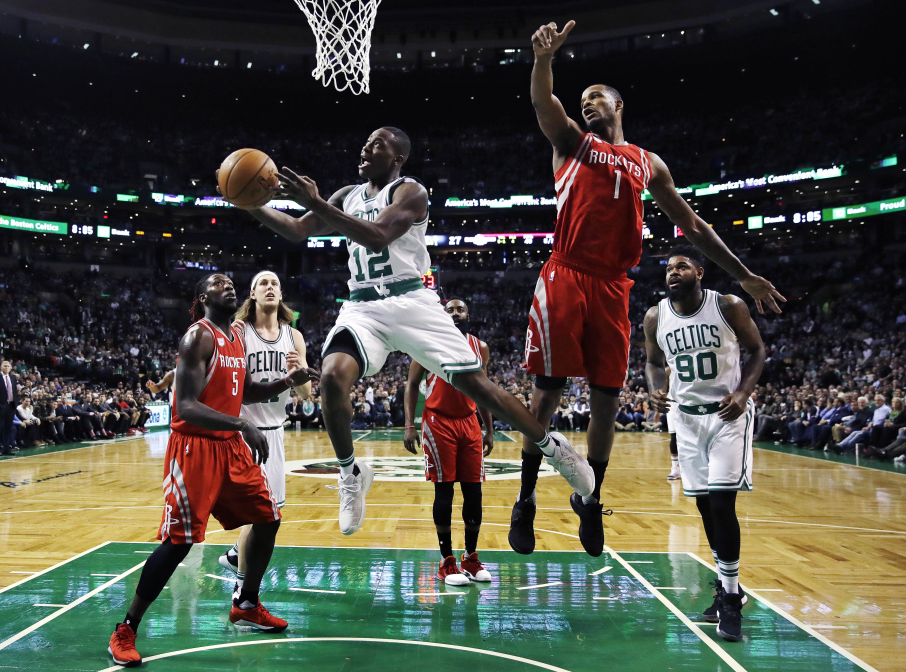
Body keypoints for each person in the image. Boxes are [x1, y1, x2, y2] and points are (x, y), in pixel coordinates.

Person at [512, 20, 784, 556]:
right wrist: (543, 60)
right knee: (546, 394)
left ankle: (591, 502)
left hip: (614, 286)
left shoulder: (648, 162)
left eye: (597, 98)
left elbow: (695, 227)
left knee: (607, 401)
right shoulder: (571, 142)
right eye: (583, 99)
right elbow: (544, 102)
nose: (588, 104)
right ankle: (525, 501)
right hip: (565, 274)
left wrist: (742, 273)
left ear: (618, 104)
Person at [237, 126, 592, 537]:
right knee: (332, 376)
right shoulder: (346, 195)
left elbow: (377, 237)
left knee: (478, 386)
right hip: (363, 305)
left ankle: (555, 449)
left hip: (412, 302)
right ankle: (351, 474)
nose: (366, 148)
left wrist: (315, 201)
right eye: (365, 142)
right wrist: (247, 202)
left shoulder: (412, 192)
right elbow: (297, 229)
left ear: (398, 157)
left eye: (377, 145)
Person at [107, 273, 319, 667]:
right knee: (180, 542)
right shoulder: (197, 337)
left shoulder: (236, 338)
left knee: (268, 518)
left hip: (229, 447)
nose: (228, 284)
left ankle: (246, 603)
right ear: (204, 297)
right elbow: (184, 406)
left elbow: (246, 392)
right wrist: (242, 423)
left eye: (229, 280)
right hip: (195, 450)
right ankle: (126, 628)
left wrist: (289, 380)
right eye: (218, 282)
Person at [643, 245, 765, 643]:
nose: (672, 273)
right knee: (703, 505)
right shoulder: (654, 316)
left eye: (681, 266)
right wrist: (655, 389)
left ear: (699, 271)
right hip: (685, 418)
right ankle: (727, 586)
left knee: (720, 501)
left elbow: (758, 350)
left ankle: (730, 599)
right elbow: (653, 362)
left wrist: (744, 393)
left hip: (726, 415)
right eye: (668, 268)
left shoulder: (728, 305)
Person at [218, 270, 314, 582]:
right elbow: (237, 387)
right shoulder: (238, 331)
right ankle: (243, 590)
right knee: (260, 514)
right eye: (263, 283)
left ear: (281, 293)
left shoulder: (294, 337)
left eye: (275, 283)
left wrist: (300, 375)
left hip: (276, 433)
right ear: (253, 293)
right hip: (245, 431)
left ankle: (235, 554)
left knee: (268, 515)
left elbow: (306, 394)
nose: (269, 287)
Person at [403, 298, 494, 586]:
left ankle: (470, 557)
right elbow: (410, 386)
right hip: (437, 422)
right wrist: (409, 425)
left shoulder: (480, 348)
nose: (455, 313)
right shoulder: (426, 344)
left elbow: (485, 391)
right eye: (450, 310)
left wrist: (489, 429)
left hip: (469, 423)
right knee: (444, 493)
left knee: (474, 493)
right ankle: (446, 561)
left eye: (460, 309)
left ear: (468, 315)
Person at [0, 360, 19, 456]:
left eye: (8, 366)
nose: (6, 367)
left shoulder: (13, 378)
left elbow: (15, 391)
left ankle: (6, 448)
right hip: (0, 406)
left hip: (11, 406)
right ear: (1, 367)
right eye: (4, 366)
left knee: (8, 428)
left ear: (10, 368)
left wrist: (16, 403)